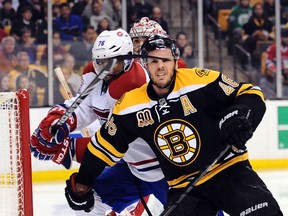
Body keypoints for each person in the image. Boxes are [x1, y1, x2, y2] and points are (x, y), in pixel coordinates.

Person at [63, 33, 283, 215]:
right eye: (154, 61)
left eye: (166, 61)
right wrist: (83, 182)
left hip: (230, 171)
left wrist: (240, 116)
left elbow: (250, 93)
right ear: (145, 65)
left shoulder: (198, 80)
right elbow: (102, 148)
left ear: (175, 62)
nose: (160, 67)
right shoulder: (129, 105)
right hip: (184, 187)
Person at [30, 28, 166, 215]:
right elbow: (85, 106)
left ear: (127, 60)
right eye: (100, 63)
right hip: (132, 169)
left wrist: (70, 148)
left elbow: (114, 140)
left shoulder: (135, 85)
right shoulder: (99, 76)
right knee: (91, 202)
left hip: (164, 173)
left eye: (112, 64)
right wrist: (60, 121)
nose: (105, 71)